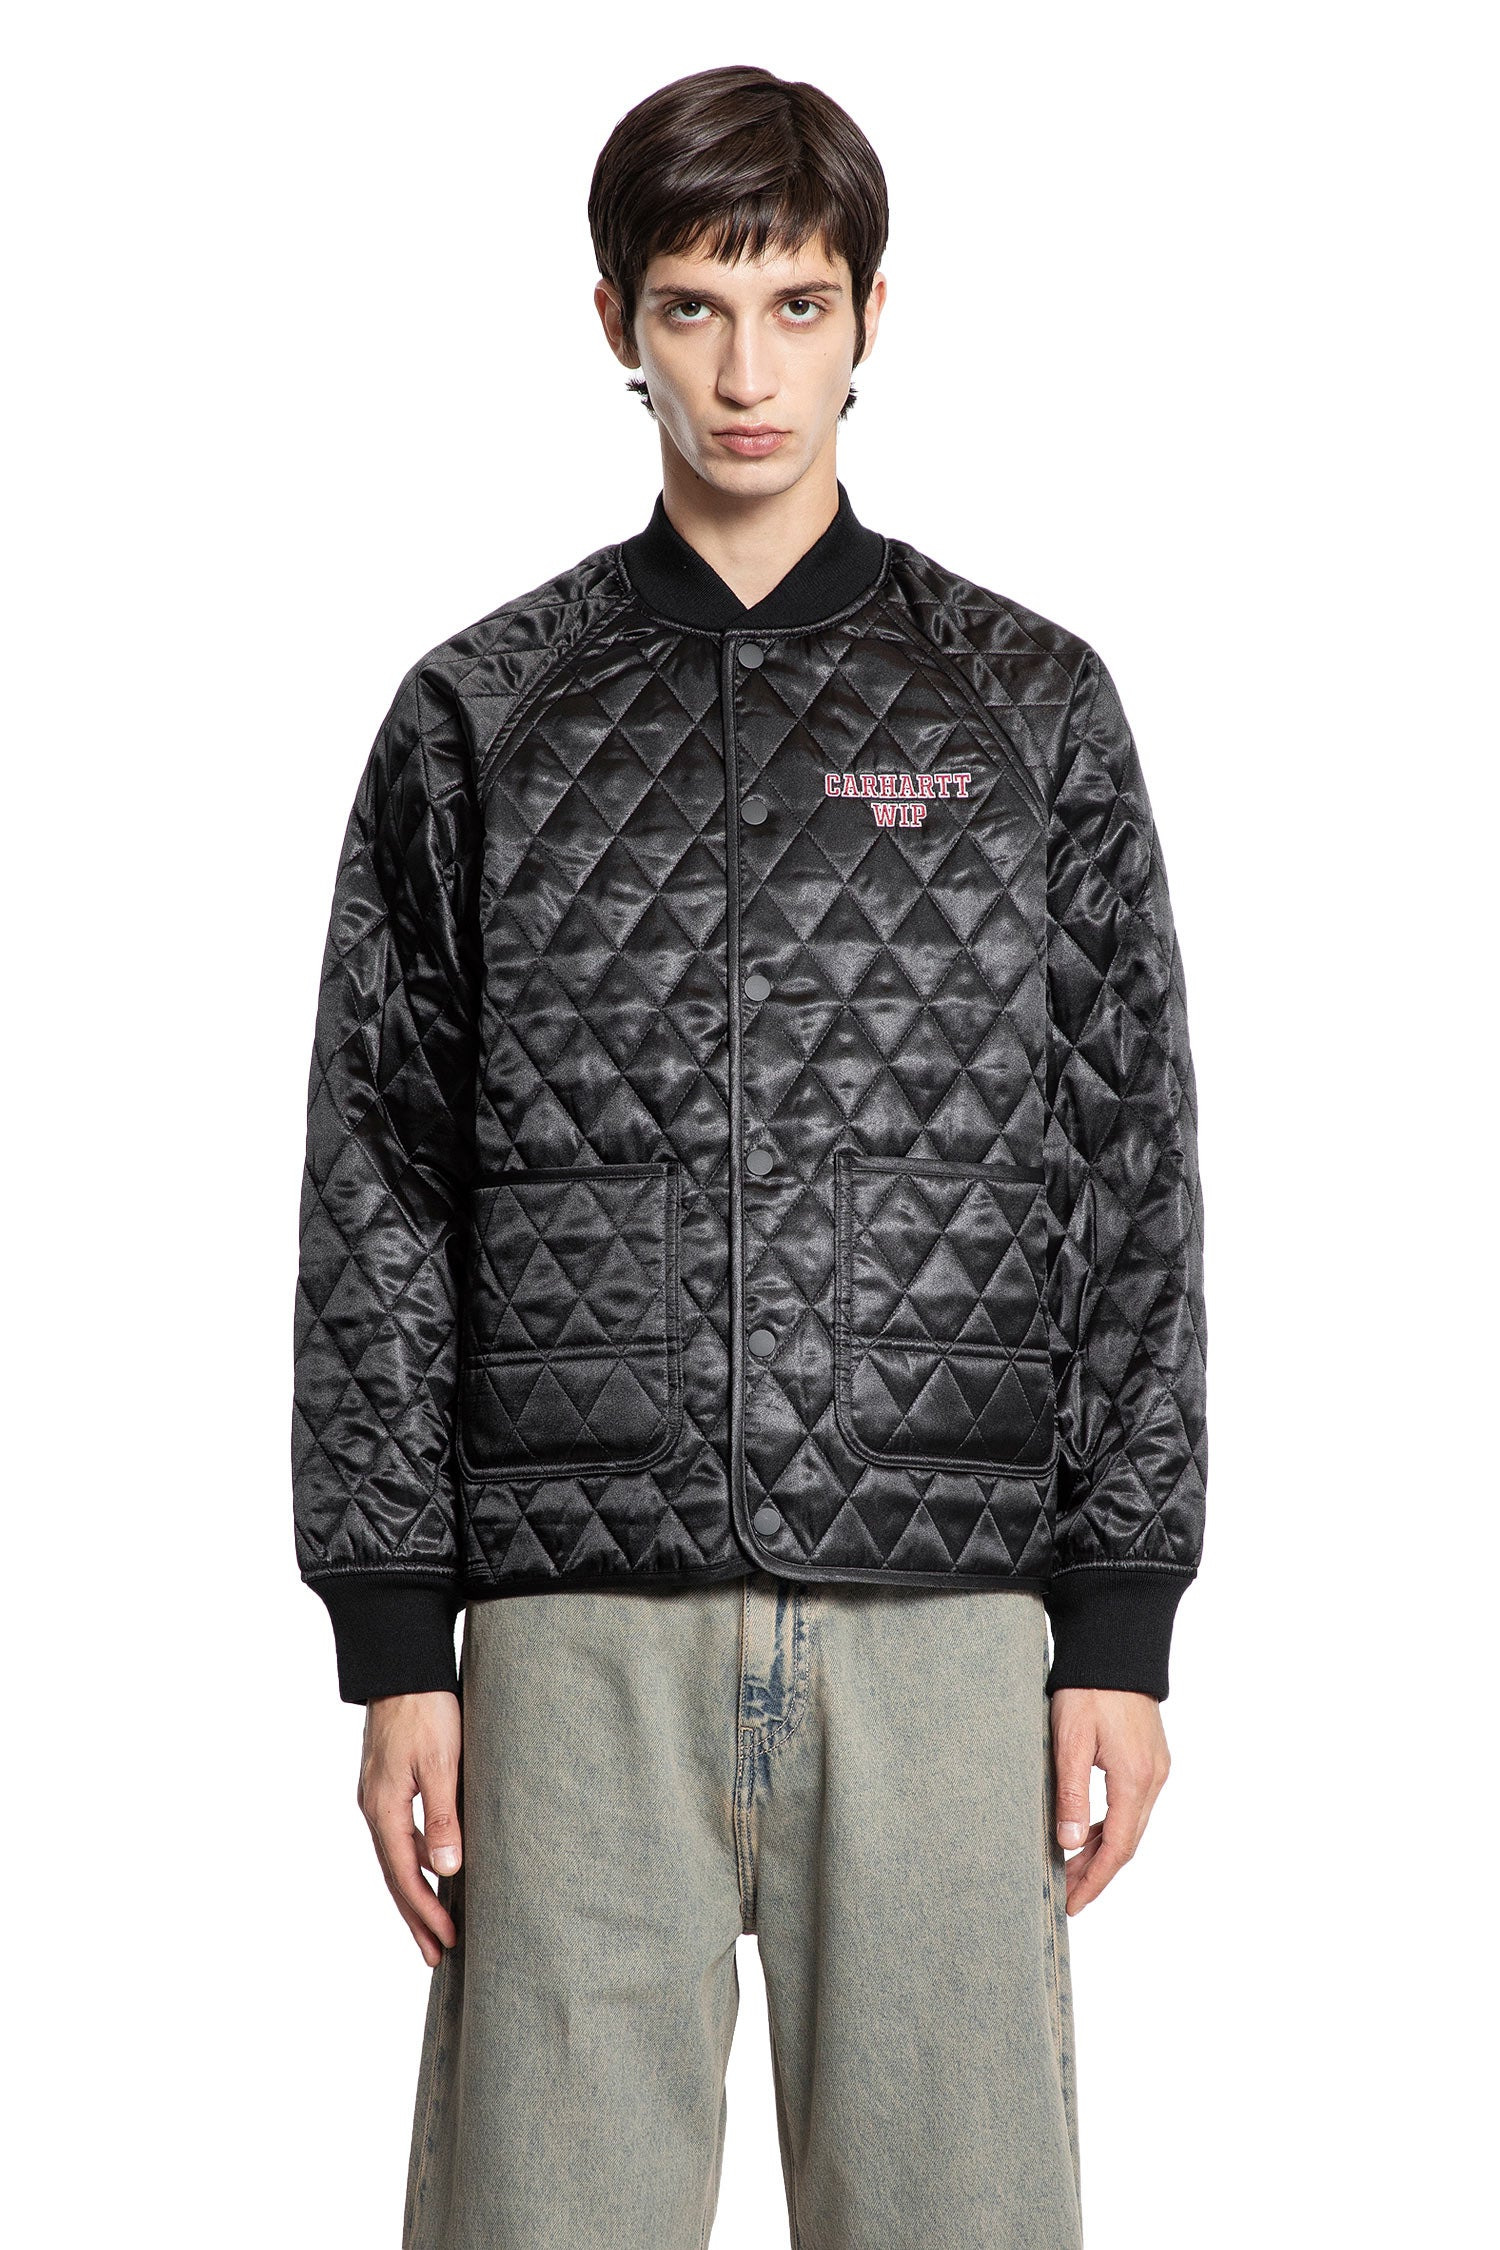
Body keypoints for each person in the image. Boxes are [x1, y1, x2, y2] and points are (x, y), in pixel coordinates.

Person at [291, 61, 1207, 2250]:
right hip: (571, 1627)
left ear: (873, 313)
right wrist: (395, 1637)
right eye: (696, 307)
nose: (746, 372)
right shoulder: (481, 715)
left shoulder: (1027, 707)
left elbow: (1127, 1169)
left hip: (946, 1619)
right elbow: (379, 1186)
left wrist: (1124, 1617)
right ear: (613, 318)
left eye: (796, 306)